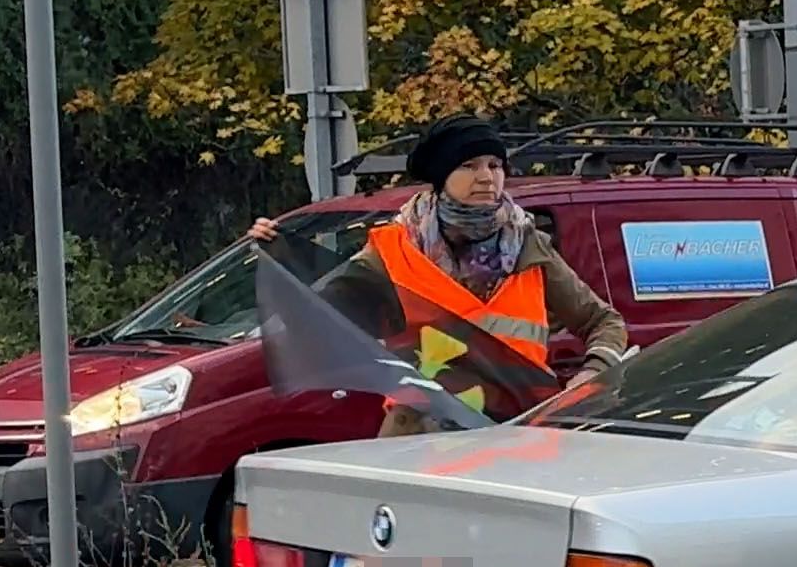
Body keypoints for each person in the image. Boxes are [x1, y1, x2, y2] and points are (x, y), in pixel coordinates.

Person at [250, 113, 630, 434]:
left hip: (516, 437)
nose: (487, 177)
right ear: (441, 176)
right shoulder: (395, 249)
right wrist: (280, 254)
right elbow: (325, 317)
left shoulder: (529, 246)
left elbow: (604, 321)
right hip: (419, 439)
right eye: (469, 165)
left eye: (495, 165)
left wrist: (591, 375)